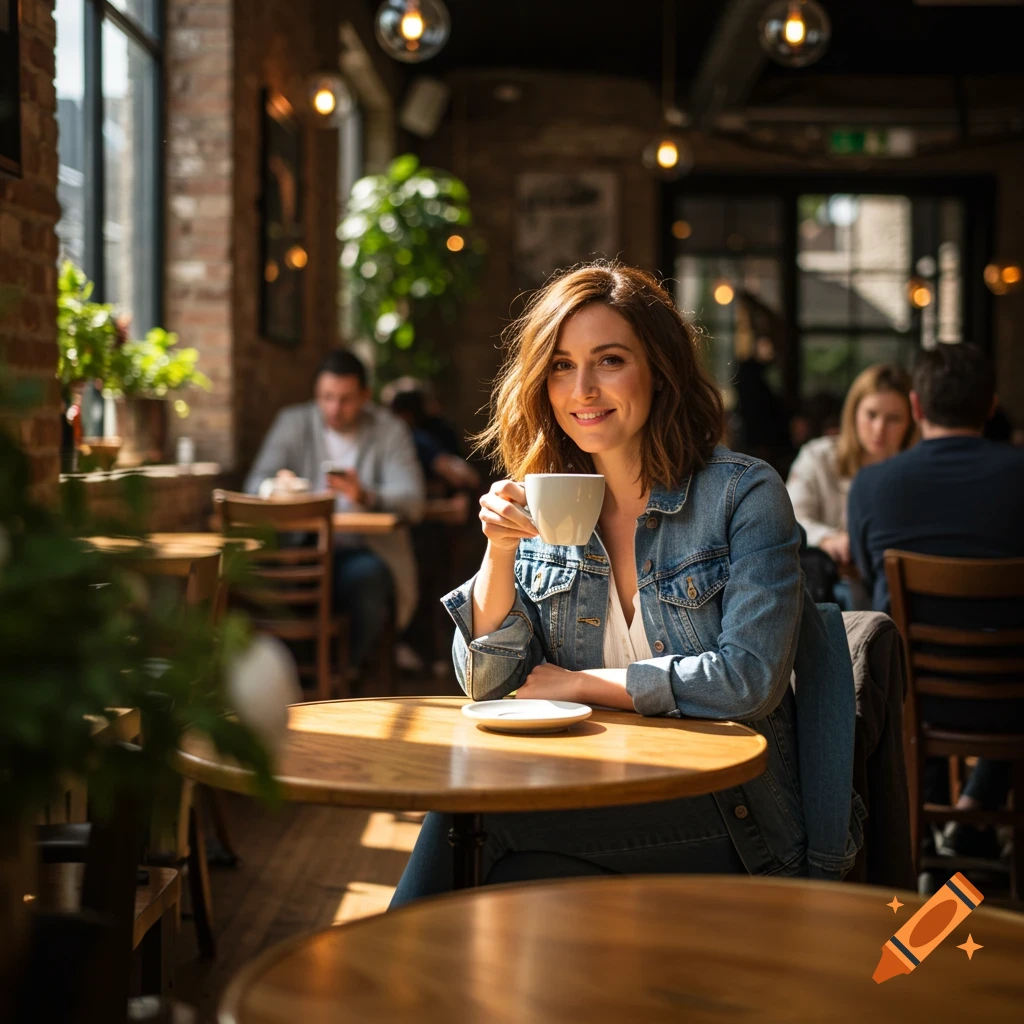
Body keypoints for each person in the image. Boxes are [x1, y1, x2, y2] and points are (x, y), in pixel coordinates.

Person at [391, 262, 862, 906]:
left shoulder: (743, 495)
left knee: (472, 826)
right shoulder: (549, 498)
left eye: (608, 360)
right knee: (494, 871)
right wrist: (498, 554)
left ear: (660, 371)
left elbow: (747, 682)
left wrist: (583, 684)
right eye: (560, 365)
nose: (581, 388)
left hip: (733, 813)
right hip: (592, 784)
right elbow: (491, 685)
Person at [848, 343, 1024, 856]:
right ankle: (971, 820)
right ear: (990, 407)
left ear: (917, 407)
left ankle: (923, 849)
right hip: (1013, 697)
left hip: (907, 697)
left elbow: (863, 568)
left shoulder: (873, 483)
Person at [245, 350, 425, 673]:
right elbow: (253, 484)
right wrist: (274, 487)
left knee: (368, 578)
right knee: (261, 582)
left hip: (361, 550)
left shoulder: (389, 430)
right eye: (326, 398)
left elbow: (413, 500)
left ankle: (343, 673)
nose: (334, 409)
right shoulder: (293, 422)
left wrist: (366, 495)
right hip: (300, 549)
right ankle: (301, 676)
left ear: (365, 397)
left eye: (345, 400)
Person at [787, 364, 914, 571]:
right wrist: (828, 538)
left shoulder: (918, 470)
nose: (879, 429)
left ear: (911, 421)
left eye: (894, 418)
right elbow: (789, 521)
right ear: (853, 413)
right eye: (871, 415)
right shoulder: (817, 456)